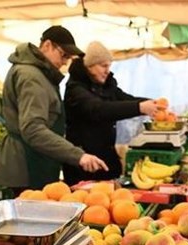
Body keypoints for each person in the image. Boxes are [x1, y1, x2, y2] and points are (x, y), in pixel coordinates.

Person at [0, 26, 108, 192]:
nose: (65, 62)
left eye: (69, 58)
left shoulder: (40, 74)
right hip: (28, 166)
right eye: (64, 55)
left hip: (34, 162)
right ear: (47, 45)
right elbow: (33, 129)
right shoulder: (31, 77)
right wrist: (78, 155)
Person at [62, 41, 159, 185]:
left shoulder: (106, 85)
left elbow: (125, 99)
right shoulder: (75, 89)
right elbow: (99, 109)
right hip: (84, 162)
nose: (107, 71)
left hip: (106, 156)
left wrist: (153, 104)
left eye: (109, 66)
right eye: (103, 66)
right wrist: (140, 107)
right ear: (89, 66)